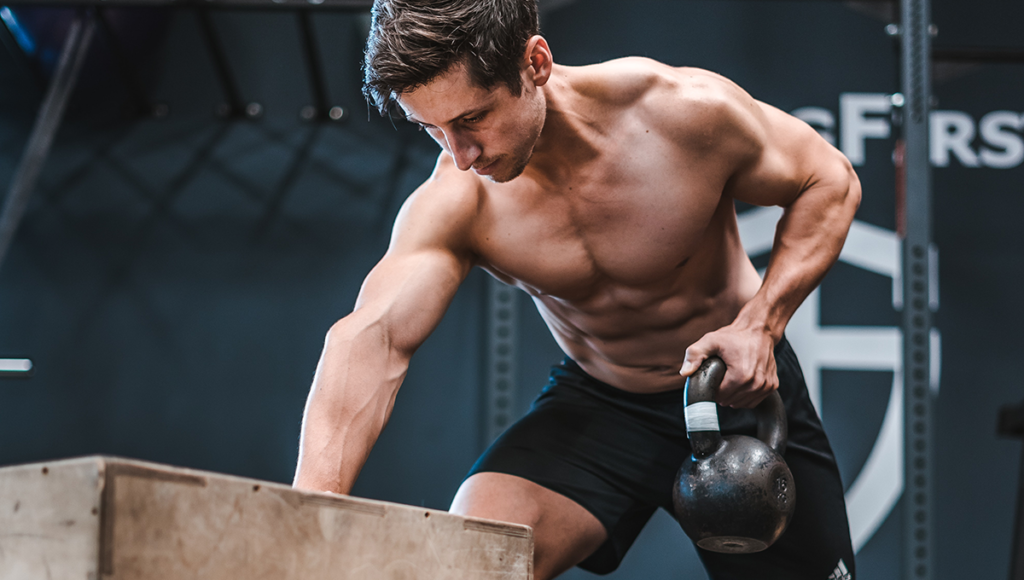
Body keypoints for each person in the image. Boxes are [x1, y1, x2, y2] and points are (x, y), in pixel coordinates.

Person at [292, 1, 861, 578]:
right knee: (471, 562)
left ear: (534, 62)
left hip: (733, 392)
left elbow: (829, 180)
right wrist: (308, 514)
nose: (459, 156)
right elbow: (375, 336)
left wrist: (760, 324)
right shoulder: (457, 203)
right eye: (431, 130)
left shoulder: (681, 116)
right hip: (602, 401)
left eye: (472, 119)